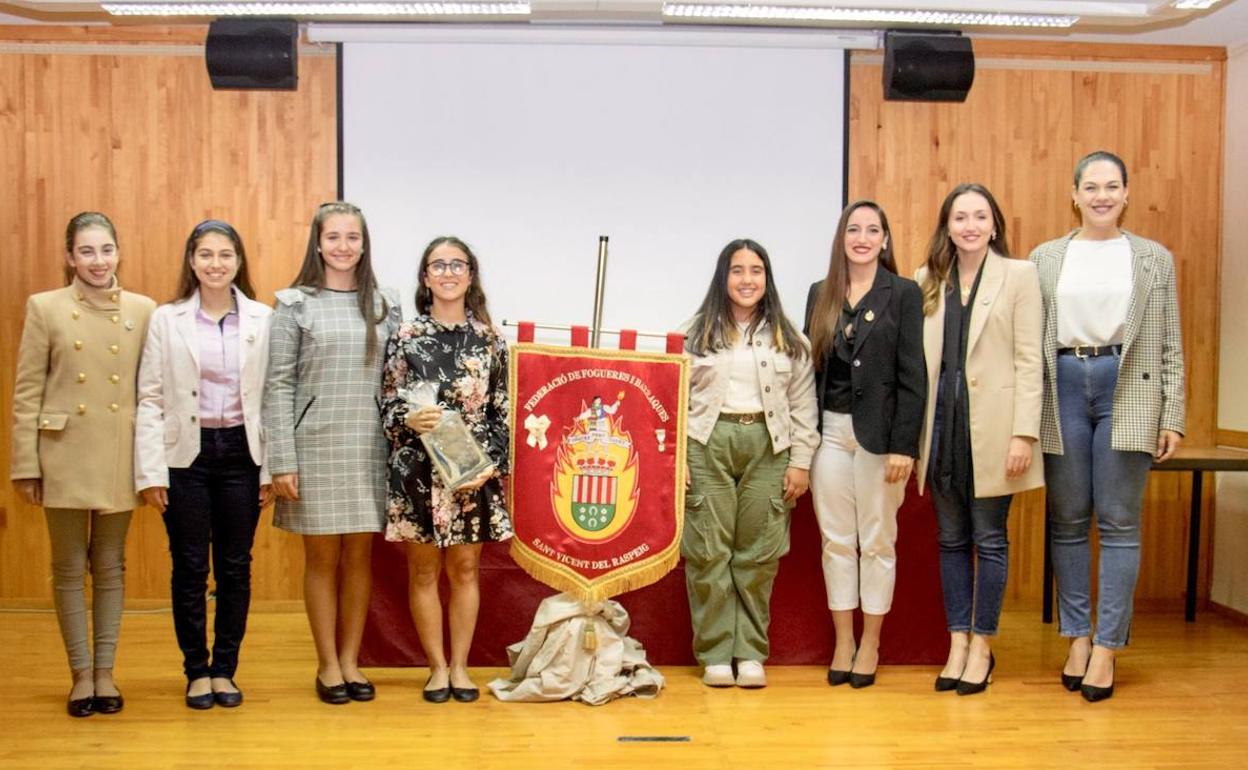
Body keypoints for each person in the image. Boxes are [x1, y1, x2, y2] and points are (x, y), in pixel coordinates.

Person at [1030, 151, 1185, 703]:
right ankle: (1076, 635)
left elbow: (1169, 340)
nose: (1101, 195)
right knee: (1068, 519)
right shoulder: (1045, 257)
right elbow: (1030, 343)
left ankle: (1107, 648)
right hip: (1063, 385)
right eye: (1090, 186)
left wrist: (1173, 414)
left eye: (1111, 186)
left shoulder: (1152, 258)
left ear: (1125, 193)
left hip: (1130, 386)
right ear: (1074, 194)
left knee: (1119, 522)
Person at [10, 212, 156, 717]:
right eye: (87, 251)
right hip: (64, 452)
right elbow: (27, 390)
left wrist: (152, 464)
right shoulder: (45, 307)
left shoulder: (143, 309)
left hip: (120, 450)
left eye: (107, 250)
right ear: (70, 257)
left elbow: (151, 392)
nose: (99, 261)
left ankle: (106, 673)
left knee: (111, 566)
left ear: (119, 253)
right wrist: (25, 465)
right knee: (69, 567)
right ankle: (79, 674)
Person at [262, 202, 401, 705]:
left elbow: (396, 383)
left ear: (364, 245)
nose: (344, 247)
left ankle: (350, 660)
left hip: (370, 447)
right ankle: (326, 665)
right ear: (317, 243)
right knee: (322, 558)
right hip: (313, 447)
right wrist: (282, 460)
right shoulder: (293, 303)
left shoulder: (386, 304)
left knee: (360, 557)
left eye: (353, 238)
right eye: (334, 237)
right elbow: (277, 386)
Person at [134, 220, 274, 709]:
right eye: (206, 254)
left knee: (235, 567)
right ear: (191, 261)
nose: (216, 264)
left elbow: (271, 400)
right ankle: (195, 669)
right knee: (190, 567)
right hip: (185, 459)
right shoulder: (166, 318)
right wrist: (151, 471)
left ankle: (225, 670)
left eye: (225, 255)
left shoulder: (262, 318)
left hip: (242, 455)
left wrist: (270, 468)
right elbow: (150, 397)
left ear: (239, 261)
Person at [914, 183, 1043, 696]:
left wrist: (1024, 433)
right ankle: (956, 642)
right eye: (959, 217)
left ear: (995, 224)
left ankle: (983, 644)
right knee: (950, 541)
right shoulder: (927, 280)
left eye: (979, 216)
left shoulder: (1020, 275)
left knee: (989, 541)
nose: (969, 225)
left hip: (994, 431)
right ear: (947, 225)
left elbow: (1031, 360)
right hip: (941, 429)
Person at [682, 238, 818, 689]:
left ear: (767, 278)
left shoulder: (789, 336)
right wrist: (677, 459)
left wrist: (800, 462)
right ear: (723, 278)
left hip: (770, 447)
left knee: (758, 555)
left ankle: (751, 654)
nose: (746, 279)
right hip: (706, 445)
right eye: (737, 270)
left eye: (755, 270)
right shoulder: (694, 333)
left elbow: (803, 405)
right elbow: (673, 401)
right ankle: (717, 653)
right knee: (708, 552)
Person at [381, 236, 511, 704]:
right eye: (439, 265)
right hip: (417, 470)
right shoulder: (405, 337)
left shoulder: (492, 340)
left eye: (458, 265)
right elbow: (388, 405)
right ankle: (436, 667)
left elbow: (502, 412)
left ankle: (461, 667)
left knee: (465, 570)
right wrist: (407, 418)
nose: (449, 272)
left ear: (470, 275)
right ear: (425, 277)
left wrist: (489, 466)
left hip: (472, 474)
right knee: (422, 573)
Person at [803, 201, 925, 689]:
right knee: (836, 542)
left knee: (876, 541)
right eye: (854, 229)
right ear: (841, 238)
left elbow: (913, 376)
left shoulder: (904, 294)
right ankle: (843, 641)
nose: (862, 237)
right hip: (829, 434)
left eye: (873, 230)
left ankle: (871, 642)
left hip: (881, 439)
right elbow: (811, 372)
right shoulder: (820, 293)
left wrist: (904, 445)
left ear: (885, 240)